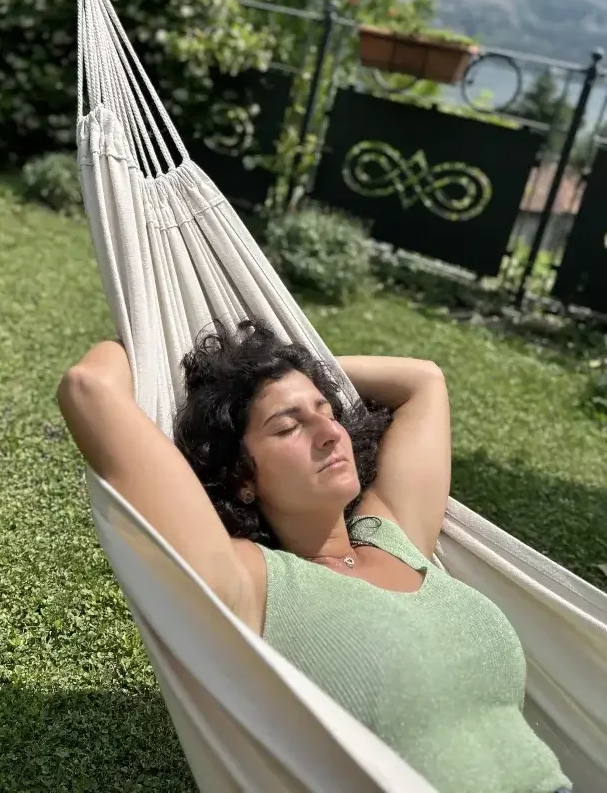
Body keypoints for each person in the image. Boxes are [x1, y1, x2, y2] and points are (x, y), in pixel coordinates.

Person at [57, 316, 572, 793]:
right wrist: (161, 348)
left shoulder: (393, 535)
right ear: (241, 479)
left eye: (327, 411)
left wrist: (281, 368)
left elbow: (424, 382)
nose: (329, 434)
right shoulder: (249, 580)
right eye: (288, 427)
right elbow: (88, 388)